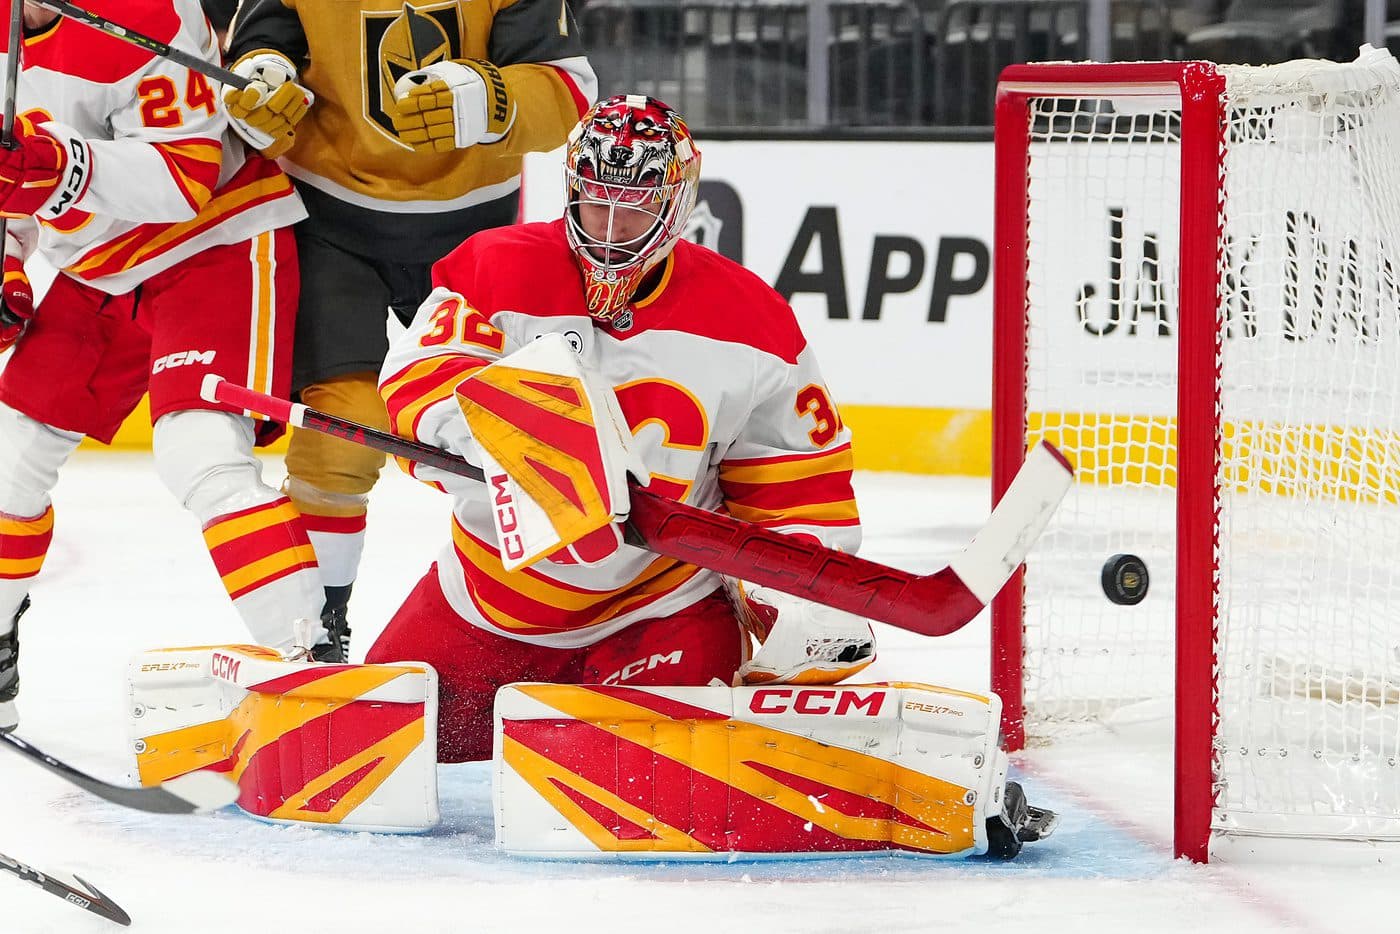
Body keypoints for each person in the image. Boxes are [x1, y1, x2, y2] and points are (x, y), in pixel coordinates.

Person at [365, 95, 877, 763]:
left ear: (677, 202)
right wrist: (495, 437)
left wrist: (802, 596)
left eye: (634, 204)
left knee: (645, 781)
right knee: (371, 751)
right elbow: (419, 380)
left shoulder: (753, 322)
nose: (609, 226)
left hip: (661, 611)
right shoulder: (494, 266)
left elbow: (796, 492)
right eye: (594, 199)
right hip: (489, 605)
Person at [221, 0, 598, 661]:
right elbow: (257, 49)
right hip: (332, 216)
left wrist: (486, 96)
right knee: (343, 434)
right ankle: (317, 637)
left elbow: (570, 87)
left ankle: (556, 623)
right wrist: (259, 82)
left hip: (475, 228)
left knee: (516, 438)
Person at [0, 0, 325, 731]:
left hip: (215, 241)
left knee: (201, 455)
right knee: (7, 459)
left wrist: (56, 170)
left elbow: (185, 179)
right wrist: (9, 265)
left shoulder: (148, 11)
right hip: (96, 266)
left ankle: (313, 679)